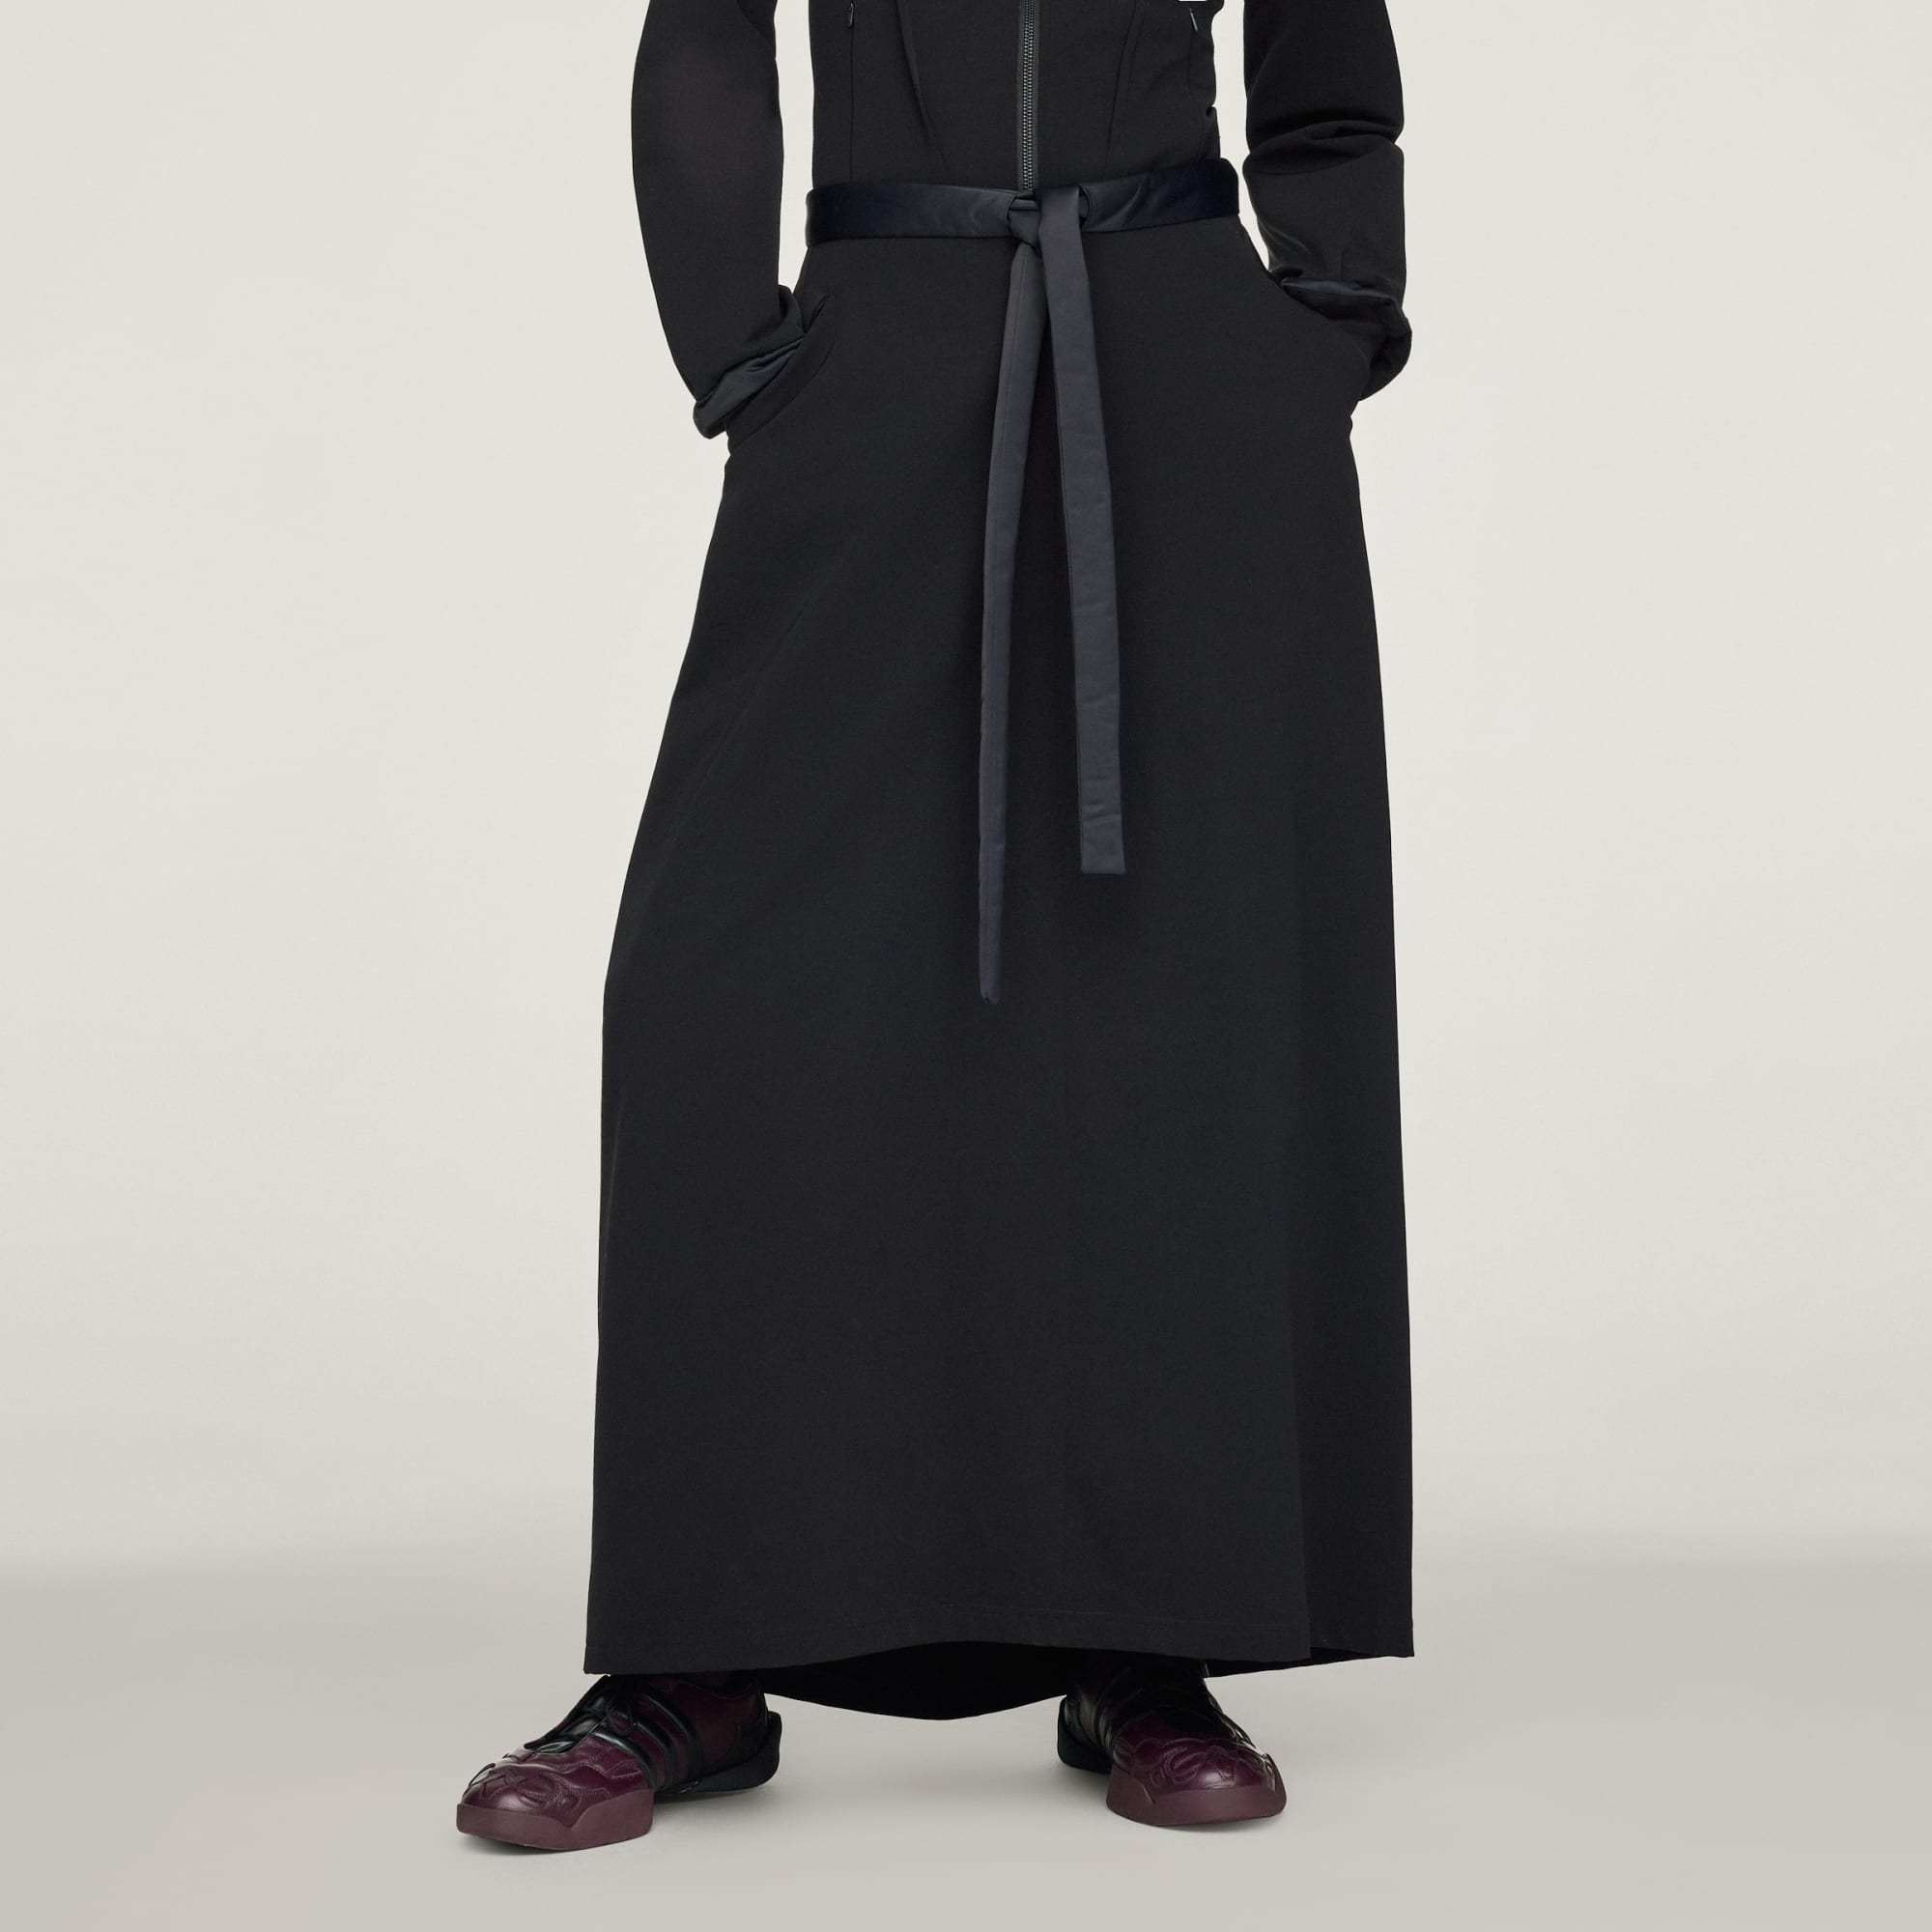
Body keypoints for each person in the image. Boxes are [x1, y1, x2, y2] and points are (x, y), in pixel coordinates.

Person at [458, 0, 1412, 1842]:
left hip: (1188, 373)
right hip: (873, 354)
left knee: (1167, 1009)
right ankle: (692, 1654)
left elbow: (1329, 66)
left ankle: (1149, 1630)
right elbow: (706, 35)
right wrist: (740, 347)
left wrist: (1325, 318)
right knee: (729, 988)